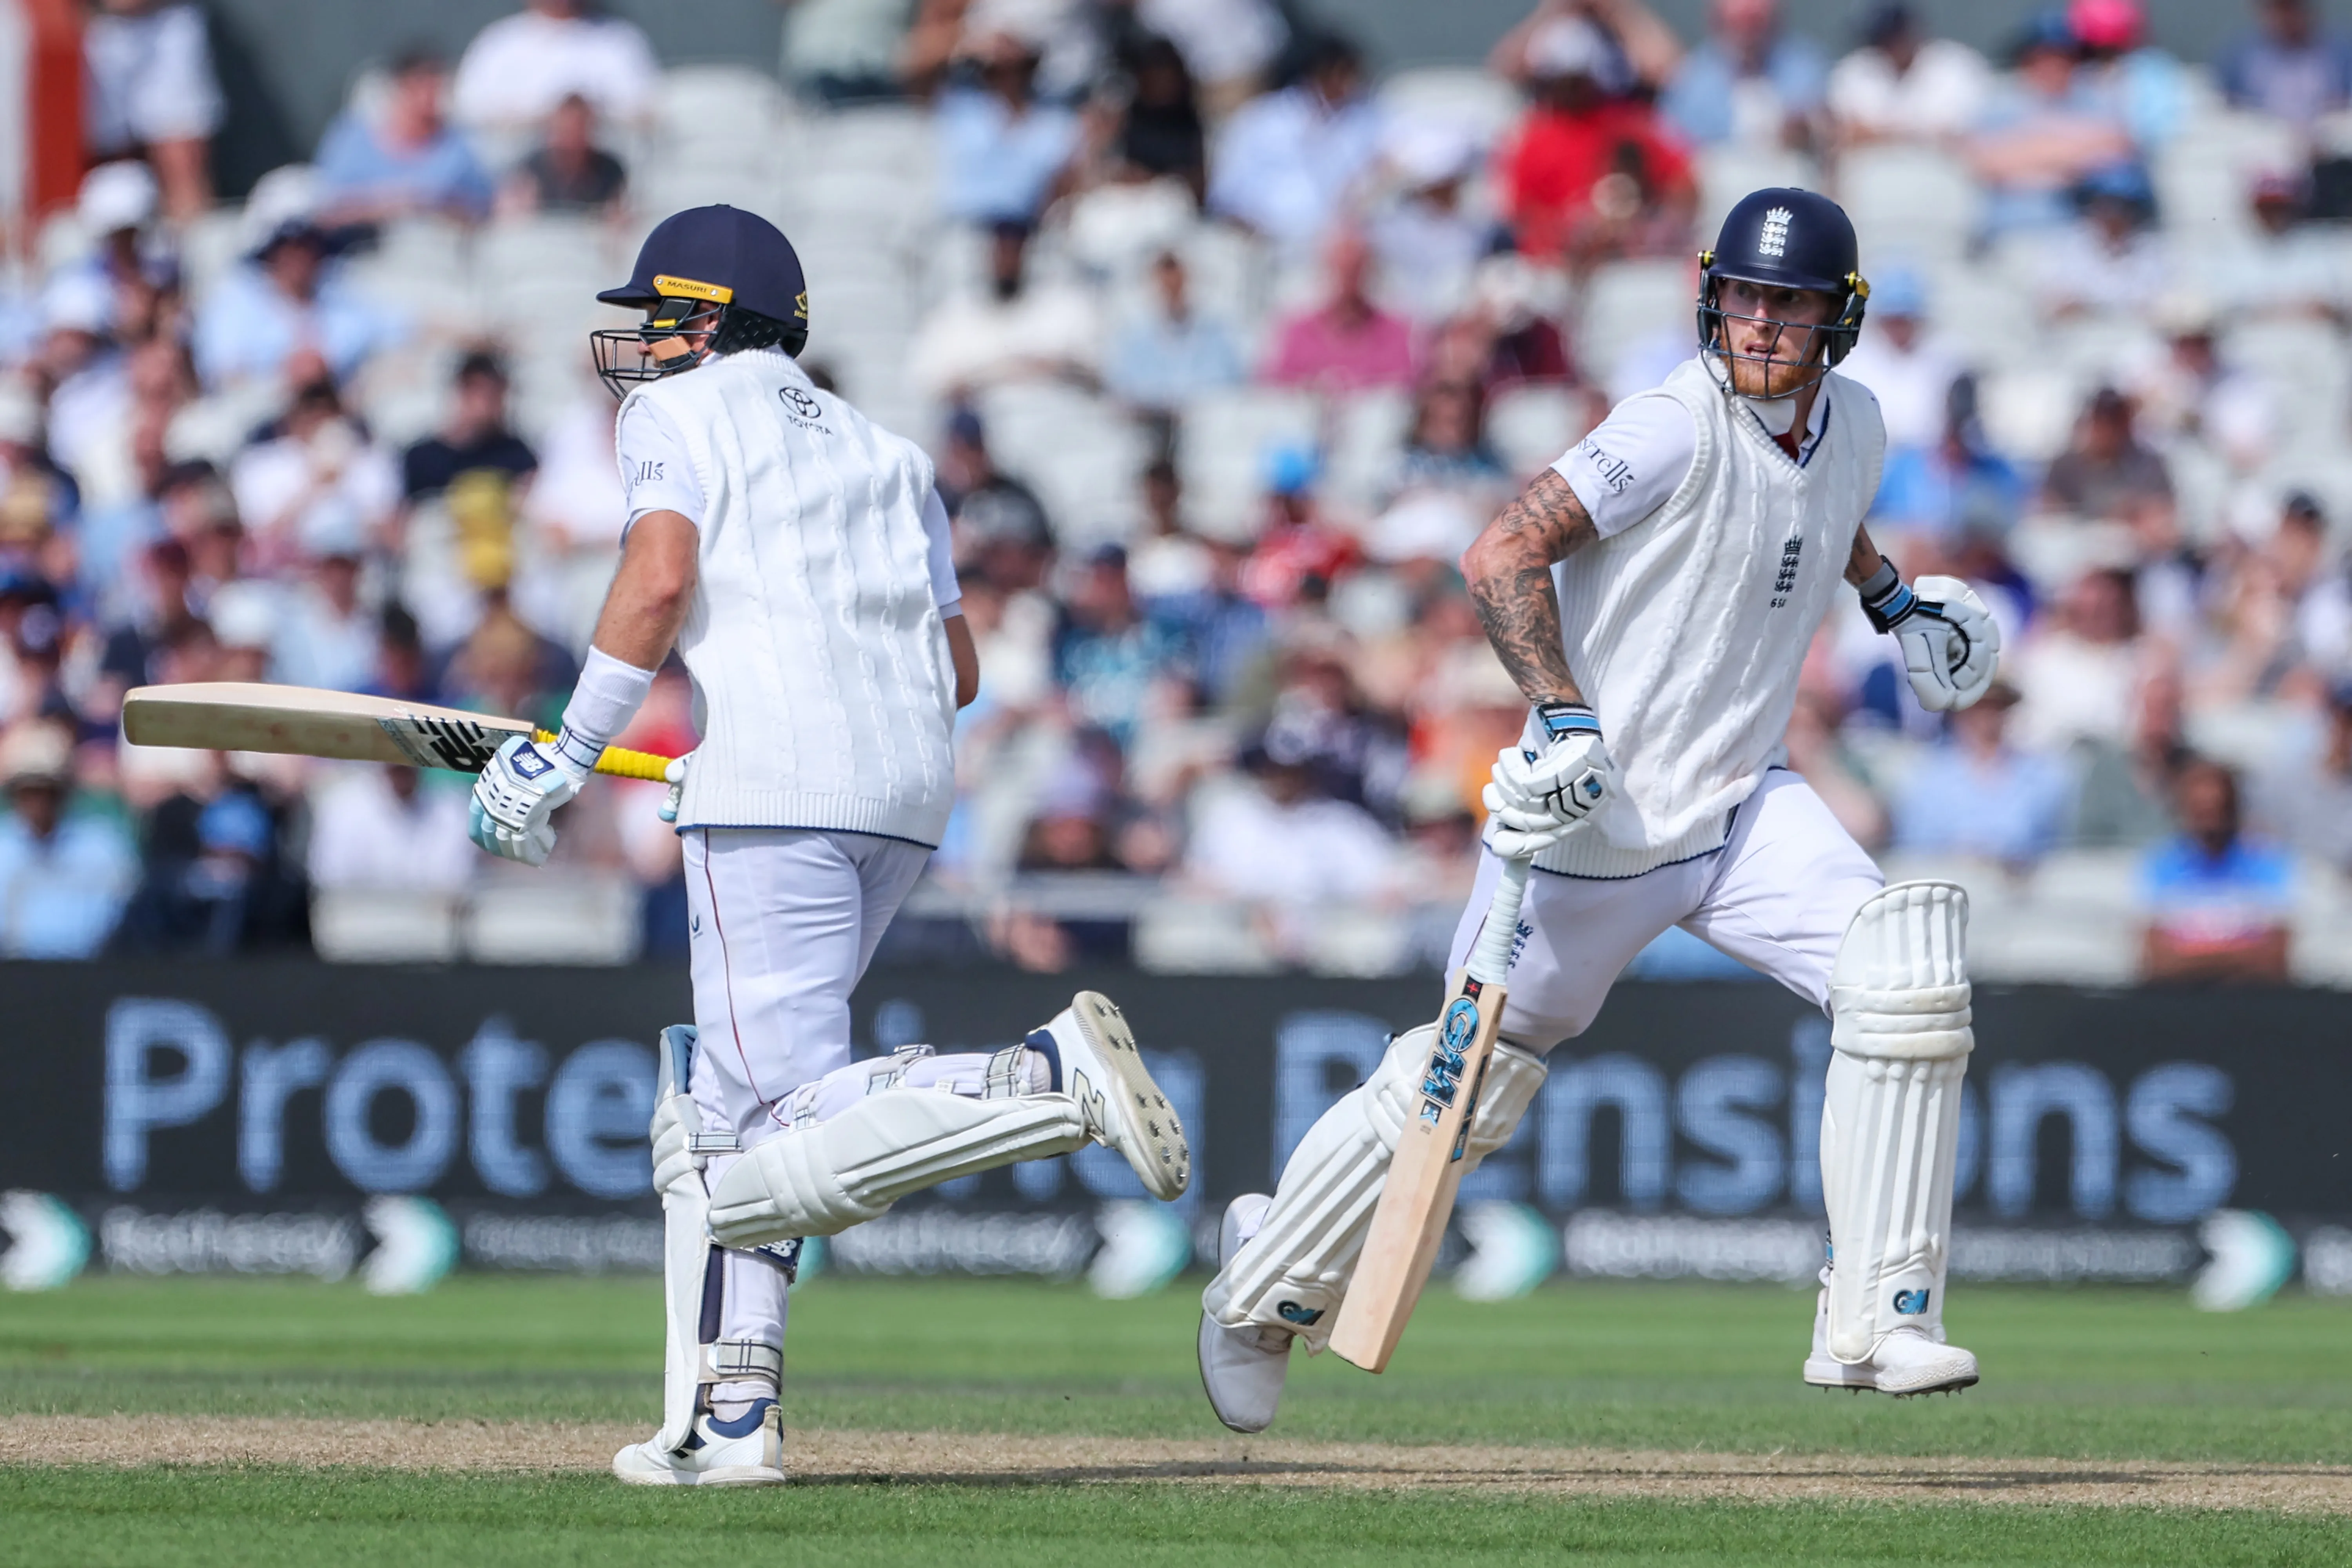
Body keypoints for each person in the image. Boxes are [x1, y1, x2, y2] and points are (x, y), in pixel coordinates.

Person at [1196, 189, 2003, 1432]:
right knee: (1462, 1091)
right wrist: (1564, 714)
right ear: (1706, 294)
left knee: (1902, 974)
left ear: (1836, 321)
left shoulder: (1858, 424)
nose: (1759, 324)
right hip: (1594, 824)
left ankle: (1878, 1315)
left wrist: (1892, 601)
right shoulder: (1667, 425)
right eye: (1741, 295)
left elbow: (1819, 511)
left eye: (1786, 304)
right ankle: (1260, 1283)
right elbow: (1499, 551)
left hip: (1739, 803)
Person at [466, 205, 1191, 1484]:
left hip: (773, 787)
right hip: (906, 789)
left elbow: (656, 577)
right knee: (742, 1111)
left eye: (659, 313)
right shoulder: (890, 450)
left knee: (769, 1121)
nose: (640, 341)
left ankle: (1029, 1077)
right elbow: (957, 668)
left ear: (711, 315)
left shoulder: (674, 416)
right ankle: (736, 1414)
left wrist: (570, 754)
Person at [1207, 31, 1383, 253]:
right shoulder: (1261, 120)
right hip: (1266, 247)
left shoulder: (1368, 119)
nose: (1350, 84)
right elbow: (1227, 194)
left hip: (1342, 249)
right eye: (1342, 74)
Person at [2138, 758, 2293, 983]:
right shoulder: (2160, 866)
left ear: (2234, 808)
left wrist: (2193, 957)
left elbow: (2275, 961)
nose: (2210, 822)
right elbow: (2158, 963)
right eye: (2201, 812)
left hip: (2251, 1001)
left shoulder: (2268, 864)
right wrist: (2239, 955)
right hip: (2180, 1003)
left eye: (2218, 809)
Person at [0, 721, 139, 957]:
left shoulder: (102, 847)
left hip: (87, 974)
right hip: (12, 977)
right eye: (29, 791)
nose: (38, 802)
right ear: (15, 794)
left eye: (47, 790)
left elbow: (116, 916)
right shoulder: (4, 849)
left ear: (64, 792)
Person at [314, 49, 494, 225]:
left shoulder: (459, 146)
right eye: (420, 84)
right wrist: (387, 205)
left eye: (436, 85)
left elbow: (481, 212)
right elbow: (325, 213)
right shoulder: (351, 138)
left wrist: (433, 206)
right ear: (399, 87)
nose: (429, 96)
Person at [82, 0, 223, 221]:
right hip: (96, 27)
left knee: (181, 158)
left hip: (165, 22)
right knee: (112, 169)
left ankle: (191, 248)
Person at [450, 0, 659, 133]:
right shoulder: (497, 44)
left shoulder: (620, 41)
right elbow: (468, 110)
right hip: (518, 193)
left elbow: (645, 110)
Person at [1659, 0, 1829, 149]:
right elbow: (1674, 148)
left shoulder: (1807, 70)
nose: (1749, 35)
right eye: (1740, 23)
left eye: (1756, 23)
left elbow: (1825, 126)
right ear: (1717, 20)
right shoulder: (1689, 84)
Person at [1827, 4, 1990, 145]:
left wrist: (1881, 133)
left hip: (1941, 170)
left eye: (1895, 35)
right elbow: (1845, 133)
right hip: (1873, 170)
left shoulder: (1955, 65)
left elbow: (1959, 136)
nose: (1890, 46)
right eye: (1880, 39)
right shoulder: (1855, 69)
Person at [2219, 0, 2352, 127]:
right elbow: (2228, 107)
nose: (2284, 18)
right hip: (2262, 140)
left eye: (2291, 9)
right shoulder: (2240, 57)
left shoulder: (2340, 53)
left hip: (2329, 139)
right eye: (2277, 10)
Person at [505, 93, 628, 215]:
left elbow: (620, 211)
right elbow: (513, 212)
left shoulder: (610, 171)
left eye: (575, 131)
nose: (568, 140)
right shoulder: (532, 169)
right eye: (563, 130)